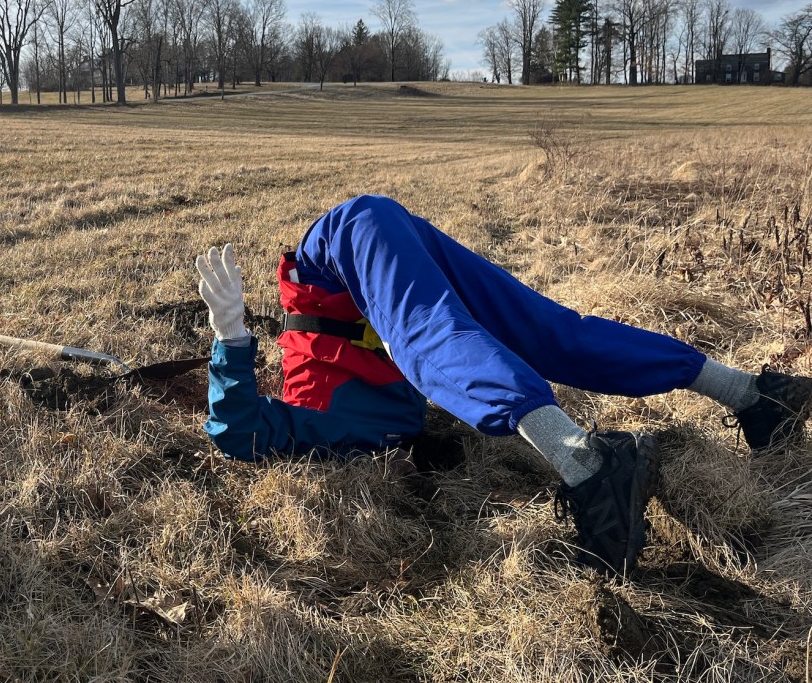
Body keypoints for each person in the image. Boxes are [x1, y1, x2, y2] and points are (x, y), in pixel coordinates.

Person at [195, 195, 812, 575]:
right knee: (547, 332)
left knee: (429, 342)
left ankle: (592, 470)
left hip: (343, 251)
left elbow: (235, 429)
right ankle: (756, 395)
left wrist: (231, 337)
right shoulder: (385, 439)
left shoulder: (308, 430)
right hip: (385, 242)